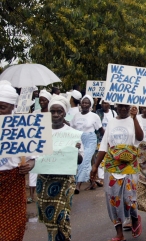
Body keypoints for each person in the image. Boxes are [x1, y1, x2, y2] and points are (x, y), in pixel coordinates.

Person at [90, 104, 143, 241]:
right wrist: (95, 166)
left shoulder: (134, 119)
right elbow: (104, 144)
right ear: (117, 107)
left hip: (129, 164)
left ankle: (135, 218)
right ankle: (119, 233)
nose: (123, 109)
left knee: (129, 198)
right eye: (120, 107)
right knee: (113, 199)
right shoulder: (112, 121)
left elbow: (140, 137)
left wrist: (135, 118)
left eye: (126, 106)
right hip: (112, 164)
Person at [37, 95, 83, 241]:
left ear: (65, 113)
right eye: (53, 112)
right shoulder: (41, 131)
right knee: (49, 218)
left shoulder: (72, 133)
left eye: (59, 112)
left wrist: (75, 151)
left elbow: (80, 160)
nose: (56, 115)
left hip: (64, 181)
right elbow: (34, 156)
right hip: (45, 181)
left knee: (62, 216)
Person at [0, 81, 35, 241]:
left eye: (2, 107)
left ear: (13, 107)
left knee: (12, 231)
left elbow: (32, 159)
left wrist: (28, 166)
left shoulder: (22, 128)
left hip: (12, 186)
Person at [70, 95, 104, 193]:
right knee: (84, 162)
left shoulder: (94, 116)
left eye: (87, 103)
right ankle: (93, 181)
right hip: (78, 140)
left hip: (90, 140)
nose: (84, 104)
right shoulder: (76, 116)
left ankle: (77, 184)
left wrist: (107, 141)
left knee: (84, 160)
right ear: (80, 103)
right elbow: (71, 127)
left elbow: (101, 130)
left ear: (90, 105)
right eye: (83, 102)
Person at [27, 89, 52, 204]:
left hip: (47, 144)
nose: (42, 102)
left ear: (48, 101)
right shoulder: (35, 113)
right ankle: (32, 195)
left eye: (44, 100)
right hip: (36, 143)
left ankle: (45, 192)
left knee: (45, 167)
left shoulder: (52, 113)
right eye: (40, 100)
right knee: (33, 168)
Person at [95, 100, 117, 187]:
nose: (104, 105)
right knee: (101, 157)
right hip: (101, 138)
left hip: (112, 139)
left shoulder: (113, 113)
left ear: (109, 104)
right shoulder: (98, 113)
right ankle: (101, 178)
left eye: (106, 103)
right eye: (103, 103)